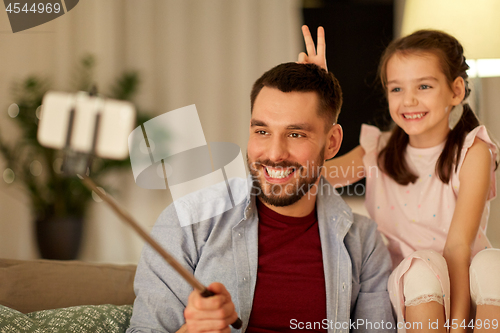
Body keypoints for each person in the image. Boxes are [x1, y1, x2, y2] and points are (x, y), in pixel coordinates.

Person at [127, 61, 396, 332]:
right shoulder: (187, 222)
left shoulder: (364, 242)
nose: (275, 153)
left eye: (295, 134)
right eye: (262, 132)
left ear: (333, 142)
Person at [299, 26, 500, 332]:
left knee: (492, 263)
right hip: (415, 291)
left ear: (456, 90)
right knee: (422, 266)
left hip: (468, 289)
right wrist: (316, 101)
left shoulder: (474, 151)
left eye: (424, 87)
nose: (408, 101)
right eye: (396, 89)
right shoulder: (376, 152)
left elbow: (458, 248)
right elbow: (312, 176)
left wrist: (458, 327)